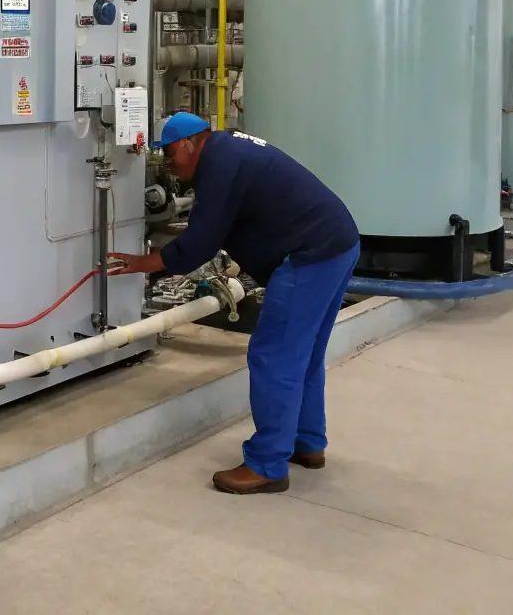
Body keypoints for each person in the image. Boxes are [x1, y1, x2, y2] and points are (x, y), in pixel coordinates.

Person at [111, 112, 359, 495]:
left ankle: (267, 464)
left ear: (188, 144)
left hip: (309, 256)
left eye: (170, 155)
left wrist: (144, 264)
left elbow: (201, 241)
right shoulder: (228, 151)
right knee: (304, 354)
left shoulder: (219, 165)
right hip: (336, 243)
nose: (169, 167)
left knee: (273, 357)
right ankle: (307, 442)